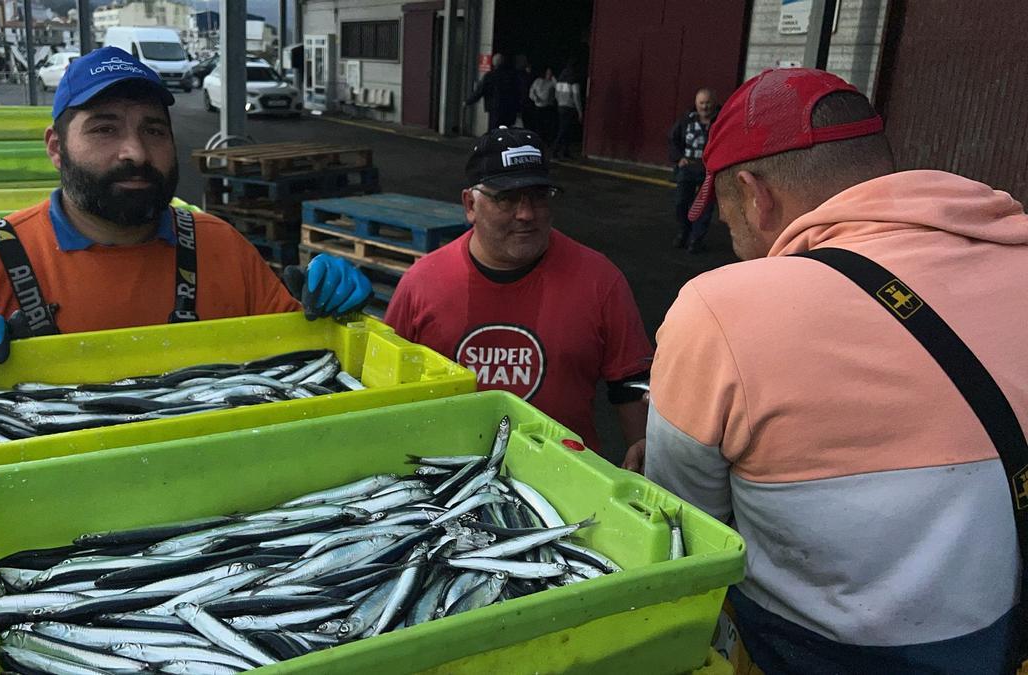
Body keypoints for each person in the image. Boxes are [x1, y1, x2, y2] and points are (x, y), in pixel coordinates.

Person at [643, 68, 1024, 672]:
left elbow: (683, 528)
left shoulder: (720, 310)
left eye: (725, 208)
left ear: (755, 193)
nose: (726, 224)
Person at [0, 47, 372, 483]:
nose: (135, 151)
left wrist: (335, 317)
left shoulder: (223, 249)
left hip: (216, 510)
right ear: (56, 149)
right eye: (104, 129)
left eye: (154, 130)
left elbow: (309, 379)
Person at [385, 126, 653, 458]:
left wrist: (644, 453)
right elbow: (386, 382)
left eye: (539, 196)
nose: (526, 214)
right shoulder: (422, 284)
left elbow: (630, 384)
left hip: (566, 480)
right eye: (507, 198)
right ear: (470, 204)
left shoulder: (600, 281)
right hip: (448, 480)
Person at [667, 88, 717, 253]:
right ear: (696, 104)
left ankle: (696, 240)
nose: (705, 106)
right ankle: (684, 232)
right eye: (701, 103)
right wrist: (678, 158)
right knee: (680, 203)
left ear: (714, 103)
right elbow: (673, 138)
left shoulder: (721, 121)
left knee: (704, 208)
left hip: (709, 172)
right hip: (687, 168)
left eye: (708, 102)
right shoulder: (686, 120)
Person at [465, 53, 520, 131]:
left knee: (494, 130)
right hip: (508, 108)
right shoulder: (511, 76)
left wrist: (468, 101)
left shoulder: (490, 76)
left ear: (493, 63)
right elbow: (517, 92)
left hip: (494, 107)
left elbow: (480, 91)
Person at [551, 62, 583, 159]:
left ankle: (564, 151)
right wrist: (580, 112)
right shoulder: (573, 82)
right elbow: (576, 98)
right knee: (566, 131)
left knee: (563, 129)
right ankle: (557, 150)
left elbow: (556, 95)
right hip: (570, 108)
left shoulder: (560, 82)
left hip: (561, 107)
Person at [528, 66, 557, 143]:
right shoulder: (538, 81)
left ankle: (546, 140)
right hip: (538, 106)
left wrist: (554, 79)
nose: (548, 75)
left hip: (548, 107)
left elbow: (557, 89)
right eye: (547, 73)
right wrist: (535, 97)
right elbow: (532, 91)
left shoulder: (552, 83)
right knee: (538, 125)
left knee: (546, 125)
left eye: (550, 73)